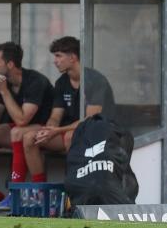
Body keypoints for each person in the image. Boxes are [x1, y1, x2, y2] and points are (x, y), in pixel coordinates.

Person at [22, 36, 115, 183]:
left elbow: (89, 122)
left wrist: (57, 131)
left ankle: (73, 187)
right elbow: (56, 116)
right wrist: (49, 129)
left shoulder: (95, 80)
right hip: (68, 131)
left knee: (70, 137)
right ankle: (39, 191)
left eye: (59, 56)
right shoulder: (62, 82)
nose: (55, 61)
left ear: (72, 57)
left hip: (98, 134)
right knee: (30, 138)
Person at [0, 41, 54, 209]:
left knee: (17, 132)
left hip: (46, 128)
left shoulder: (35, 81)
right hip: (20, 129)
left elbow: (22, 120)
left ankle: (16, 194)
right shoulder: (6, 84)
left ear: (10, 64)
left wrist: (4, 91)